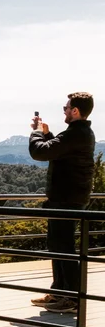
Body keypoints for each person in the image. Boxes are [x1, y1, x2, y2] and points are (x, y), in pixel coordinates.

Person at [29, 92, 96, 314]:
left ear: (75, 111)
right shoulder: (78, 134)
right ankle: (59, 292)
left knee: (64, 248)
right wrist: (47, 135)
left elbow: (39, 153)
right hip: (66, 198)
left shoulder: (77, 134)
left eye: (66, 108)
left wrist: (37, 134)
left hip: (67, 199)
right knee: (58, 246)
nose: (65, 111)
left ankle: (72, 298)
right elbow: (59, 152)